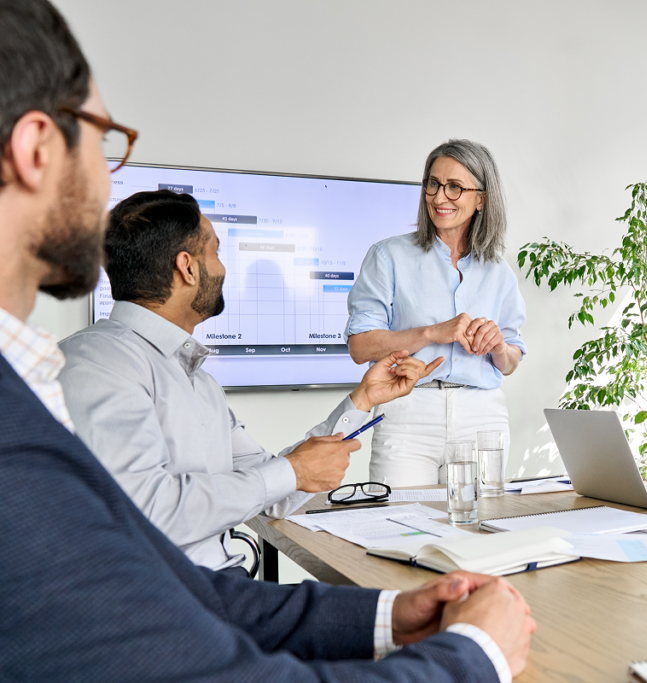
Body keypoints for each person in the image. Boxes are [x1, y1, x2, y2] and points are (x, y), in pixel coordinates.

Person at [0, 1, 534, 680]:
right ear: (36, 147)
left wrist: (361, 406)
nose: (108, 176)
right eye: (105, 140)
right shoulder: (91, 369)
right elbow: (171, 520)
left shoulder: (185, 374)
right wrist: (474, 655)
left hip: (235, 590)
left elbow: (259, 505)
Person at [57, 190, 443, 571]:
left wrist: (362, 401)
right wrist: (292, 471)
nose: (222, 269)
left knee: (394, 609)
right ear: (187, 267)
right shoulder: (98, 363)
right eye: (216, 252)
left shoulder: (197, 382)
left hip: (221, 587)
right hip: (170, 602)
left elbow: (275, 491)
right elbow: (148, 511)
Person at [345, 139, 527, 486]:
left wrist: (500, 348)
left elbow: (512, 360)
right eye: (433, 183)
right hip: (409, 412)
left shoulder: (499, 271)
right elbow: (360, 347)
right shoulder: (388, 257)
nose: (439, 197)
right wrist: (430, 333)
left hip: (482, 417)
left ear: (482, 199)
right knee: (401, 531)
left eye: (455, 187)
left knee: (480, 533)